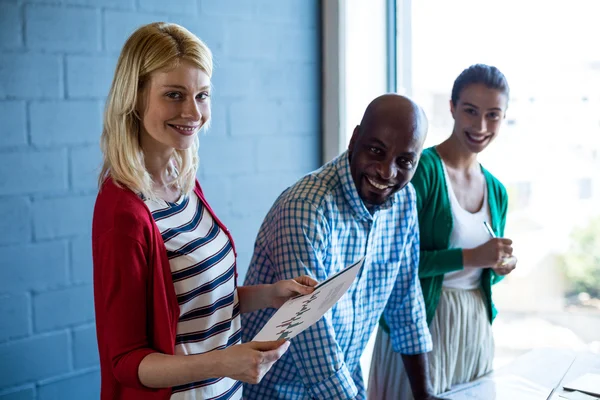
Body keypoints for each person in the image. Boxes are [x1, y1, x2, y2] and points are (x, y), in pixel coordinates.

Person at [92, 22, 316, 400]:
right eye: (174, 95)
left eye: (202, 95)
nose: (192, 112)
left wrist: (271, 295)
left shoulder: (183, 179)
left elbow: (194, 301)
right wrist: (224, 361)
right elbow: (127, 361)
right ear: (135, 97)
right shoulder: (124, 213)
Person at [241, 94, 446, 400]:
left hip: (344, 382)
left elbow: (406, 303)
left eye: (404, 161)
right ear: (354, 140)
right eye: (376, 151)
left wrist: (426, 395)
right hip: (274, 392)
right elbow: (313, 339)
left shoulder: (404, 200)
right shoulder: (306, 208)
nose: (387, 172)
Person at [369, 64, 517, 398]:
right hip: (420, 325)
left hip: (474, 325)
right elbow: (391, 265)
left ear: (504, 117)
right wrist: (469, 257)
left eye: (493, 115)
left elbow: (485, 274)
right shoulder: (422, 172)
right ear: (451, 107)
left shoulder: (497, 190)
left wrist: (499, 266)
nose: (481, 126)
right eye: (470, 111)